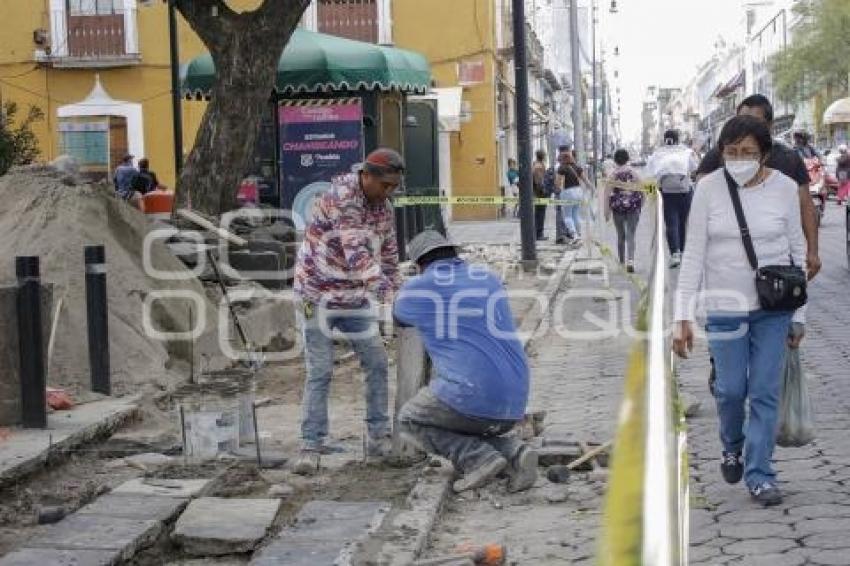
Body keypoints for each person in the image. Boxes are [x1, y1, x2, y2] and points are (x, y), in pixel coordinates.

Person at [673, 115, 806, 507]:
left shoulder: (783, 189)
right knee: (730, 390)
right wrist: (683, 316)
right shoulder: (709, 189)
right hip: (724, 308)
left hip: (773, 309)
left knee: (764, 392)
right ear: (721, 153)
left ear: (764, 154)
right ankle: (731, 443)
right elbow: (693, 255)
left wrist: (800, 317)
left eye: (747, 152)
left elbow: (796, 251)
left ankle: (760, 473)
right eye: (731, 152)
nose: (739, 159)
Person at [395, 231, 537, 493]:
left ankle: (478, 459)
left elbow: (398, 317)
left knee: (410, 419)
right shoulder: (489, 279)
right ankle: (515, 452)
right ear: (455, 255)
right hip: (515, 402)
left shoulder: (419, 287)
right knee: (464, 422)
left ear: (420, 265)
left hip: (472, 397)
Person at [292, 148, 405, 475]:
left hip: (354, 298)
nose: (388, 193)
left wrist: (400, 289)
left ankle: (377, 436)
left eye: (394, 188)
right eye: (385, 186)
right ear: (366, 176)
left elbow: (389, 256)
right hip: (317, 295)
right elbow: (356, 253)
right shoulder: (342, 197)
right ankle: (310, 444)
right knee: (321, 370)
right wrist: (387, 293)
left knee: (377, 362)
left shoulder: (383, 207)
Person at [695, 94, 820, 279]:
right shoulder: (719, 155)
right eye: (741, 121)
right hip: (731, 267)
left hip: (778, 264)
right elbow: (700, 204)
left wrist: (813, 251)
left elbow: (806, 206)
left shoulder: (789, 158)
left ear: (769, 126)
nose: (747, 128)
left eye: (754, 122)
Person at [646, 129, 699, 268]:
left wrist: (650, 194)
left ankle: (675, 253)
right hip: (685, 192)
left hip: (667, 193)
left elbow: (650, 175)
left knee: (671, 223)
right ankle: (682, 251)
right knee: (682, 223)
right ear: (677, 139)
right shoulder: (686, 152)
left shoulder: (658, 153)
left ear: (665, 139)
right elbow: (695, 168)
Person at [604, 149, 643, 272]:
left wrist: (607, 212)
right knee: (631, 234)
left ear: (615, 160)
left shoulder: (613, 175)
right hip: (633, 207)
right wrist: (641, 205)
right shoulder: (634, 173)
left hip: (618, 207)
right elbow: (642, 190)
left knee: (620, 235)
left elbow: (606, 194)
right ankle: (630, 261)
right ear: (627, 159)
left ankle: (621, 262)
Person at [558, 151, 591, 243]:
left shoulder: (562, 168)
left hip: (568, 192)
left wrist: (558, 189)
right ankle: (579, 234)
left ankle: (574, 235)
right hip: (578, 192)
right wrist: (592, 190)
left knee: (567, 216)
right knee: (576, 214)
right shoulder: (577, 167)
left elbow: (558, 183)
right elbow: (586, 181)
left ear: (562, 159)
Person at [532, 150, 548, 240]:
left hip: (537, 192)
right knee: (540, 213)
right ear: (543, 156)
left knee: (538, 213)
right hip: (540, 193)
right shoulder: (538, 166)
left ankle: (537, 233)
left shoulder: (536, 164)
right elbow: (539, 180)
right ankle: (539, 234)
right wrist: (543, 190)